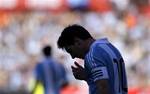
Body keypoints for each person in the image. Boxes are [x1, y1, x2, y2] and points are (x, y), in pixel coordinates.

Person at [57, 24, 128, 94]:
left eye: (70, 51)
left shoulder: (92, 54)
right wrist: (87, 77)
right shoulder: (110, 47)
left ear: (77, 42)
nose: (73, 56)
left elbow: (103, 87)